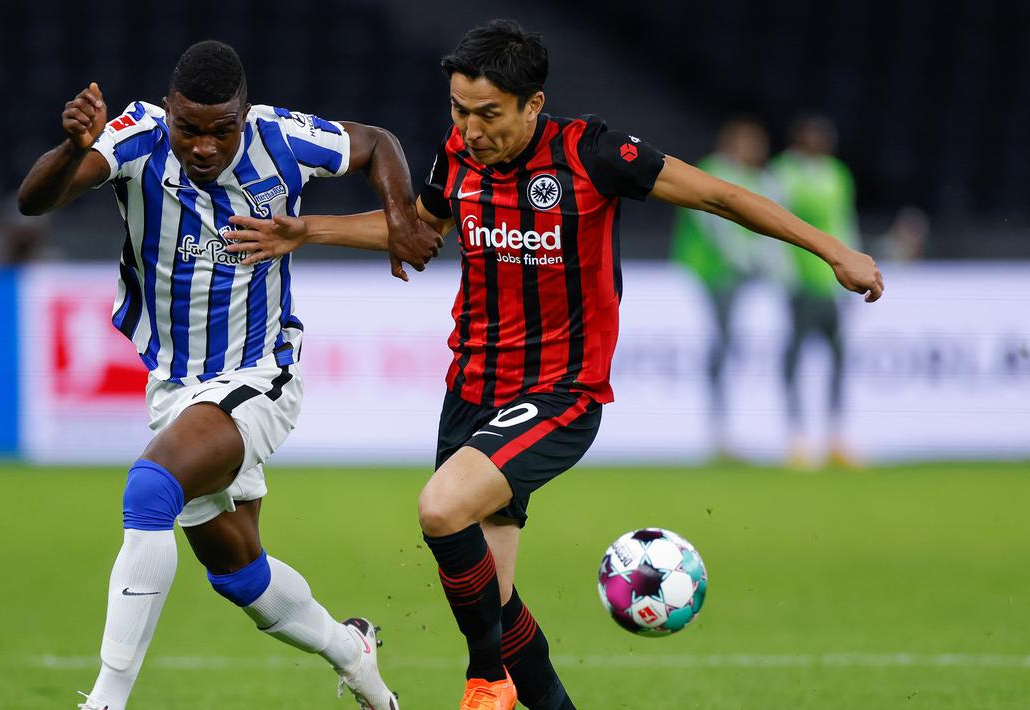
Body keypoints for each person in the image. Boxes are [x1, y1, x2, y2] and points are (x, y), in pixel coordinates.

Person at [225, 20, 883, 710]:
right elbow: (419, 232)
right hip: (471, 390)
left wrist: (830, 249)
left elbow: (722, 196)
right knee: (497, 598)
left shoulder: (594, 154)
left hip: (559, 393)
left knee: (440, 508)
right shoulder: (459, 158)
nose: (470, 128)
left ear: (532, 105)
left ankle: (484, 683)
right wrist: (308, 230)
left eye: (487, 114)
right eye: (458, 110)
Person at [17, 39, 440, 710]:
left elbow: (374, 144)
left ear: (245, 114)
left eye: (222, 131)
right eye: (190, 129)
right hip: (175, 388)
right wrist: (73, 148)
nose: (205, 147)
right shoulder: (133, 136)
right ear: (168, 112)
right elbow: (35, 203)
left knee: (149, 489)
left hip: (259, 374)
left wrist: (397, 214)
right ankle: (352, 653)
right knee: (239, 574)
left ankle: (104, 701)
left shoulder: (282, 137)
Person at [670, 117, 782, 461]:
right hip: (707, 275)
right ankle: (716, 433)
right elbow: (716, 226)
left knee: (731, 348)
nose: (758, 151)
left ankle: (729, 431)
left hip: (735, 279)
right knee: (718, 348)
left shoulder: (758, 178)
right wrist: (750, 259)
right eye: (751, 143)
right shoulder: (713, 170)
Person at [768, 114, 861, 468]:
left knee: (837, 356)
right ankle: (796, 437)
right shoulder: (783, 174)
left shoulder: (837, 174)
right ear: (799, 139)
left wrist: (854, 267)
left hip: (832, 284)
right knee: (796, 355)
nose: (821, 143)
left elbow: (845, 223)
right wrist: (784, 275)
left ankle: (836, 434)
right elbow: (771, 226)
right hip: (799, 282)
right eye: (814, 136)